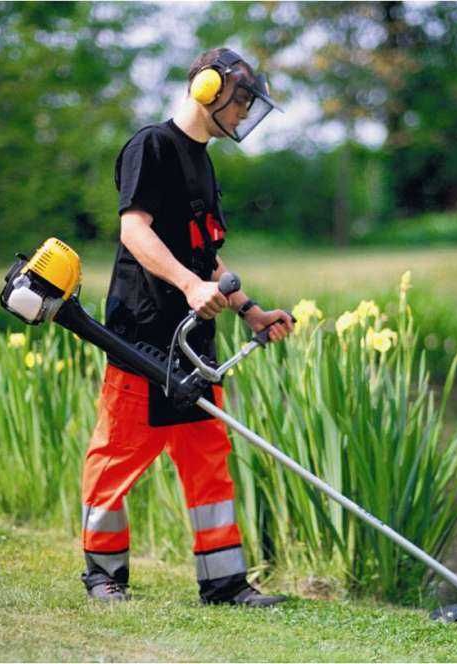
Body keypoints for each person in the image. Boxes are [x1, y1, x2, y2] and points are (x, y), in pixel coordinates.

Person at [80, 47, 294, 607]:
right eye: (242, 100)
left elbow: (208, 257)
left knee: (208, 463)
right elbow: (135, 231)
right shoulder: (151, 146)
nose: (245, 113)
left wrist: (252, 311)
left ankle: (223, 584)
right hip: (142, 337)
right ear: (208, 89)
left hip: (196, 346)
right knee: (116, 458)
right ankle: (104, 575)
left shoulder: (205, 160)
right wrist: (189, 287)